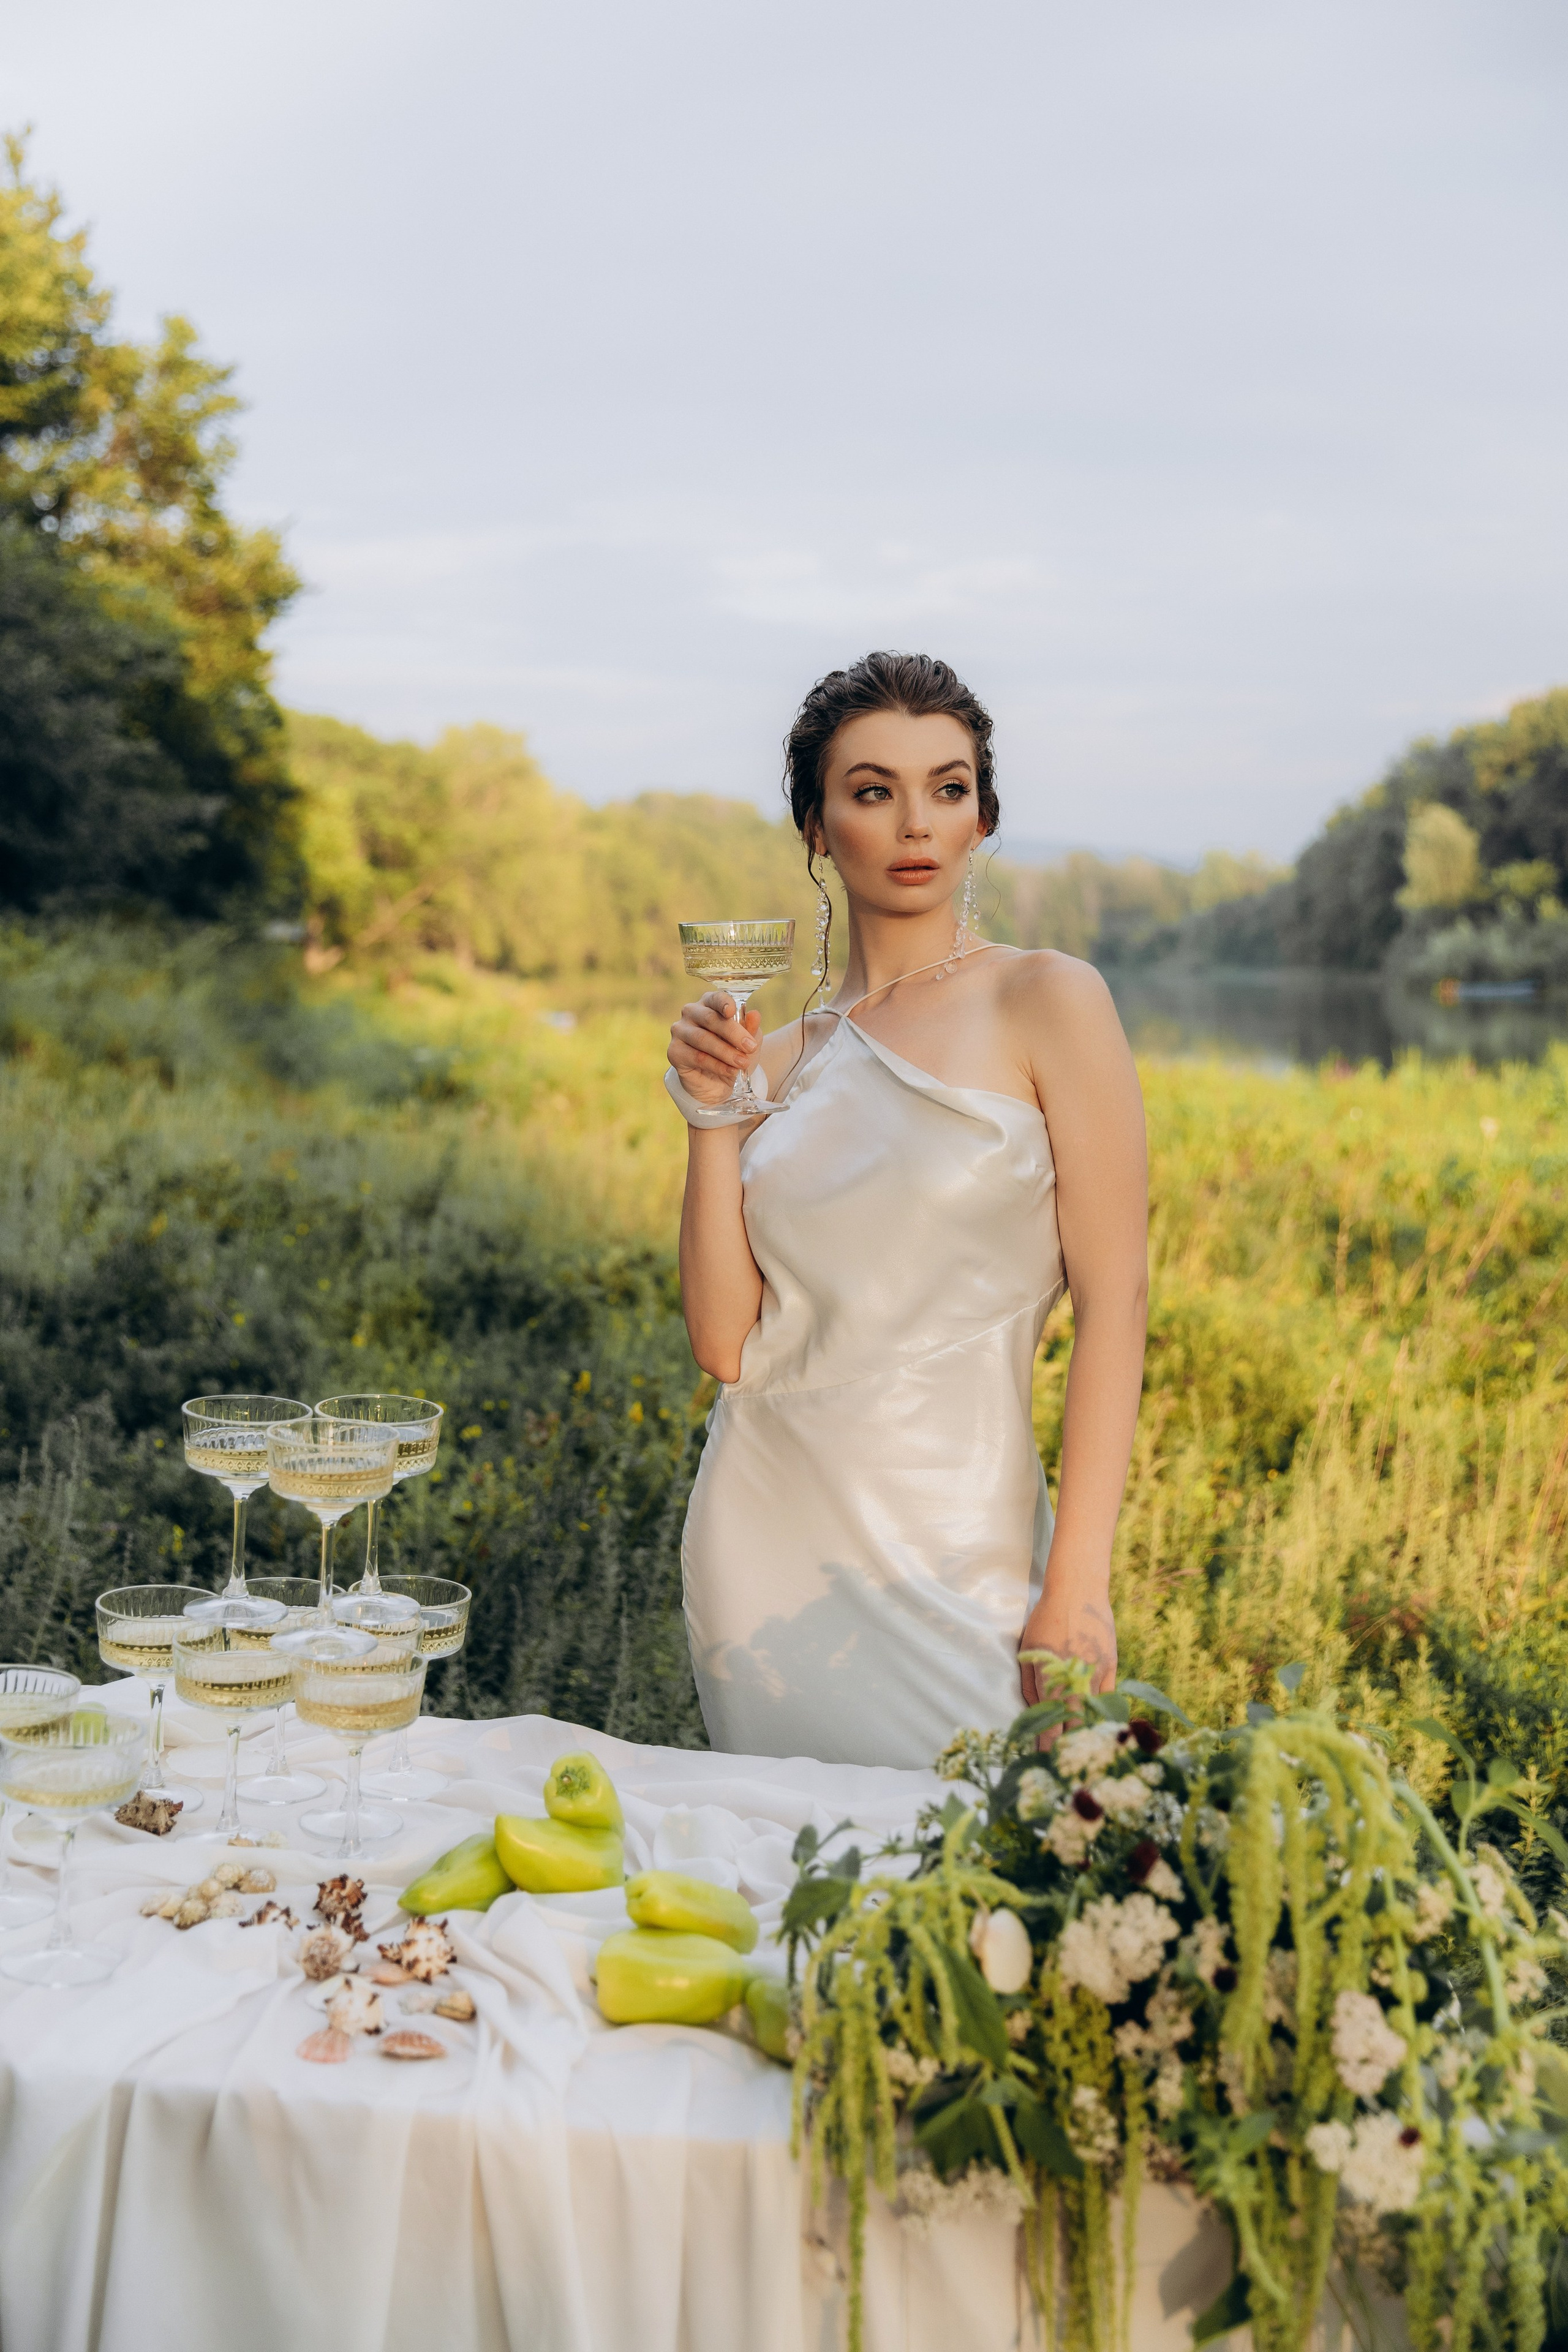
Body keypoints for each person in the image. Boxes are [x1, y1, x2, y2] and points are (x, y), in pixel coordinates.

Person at [666, 652, 1148, 1770]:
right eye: (874, 790)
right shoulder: (775, 1059)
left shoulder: (1048, 999)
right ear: (817, 827)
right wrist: (709, 1118)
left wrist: (1076, 1584)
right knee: (805, 1898)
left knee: (985, 1885)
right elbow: (726, 1346)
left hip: (965, 1549)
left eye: (949, 787)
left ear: (982, 817)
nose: (916, 823)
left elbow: (1115, 1300)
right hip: (766, 1544)